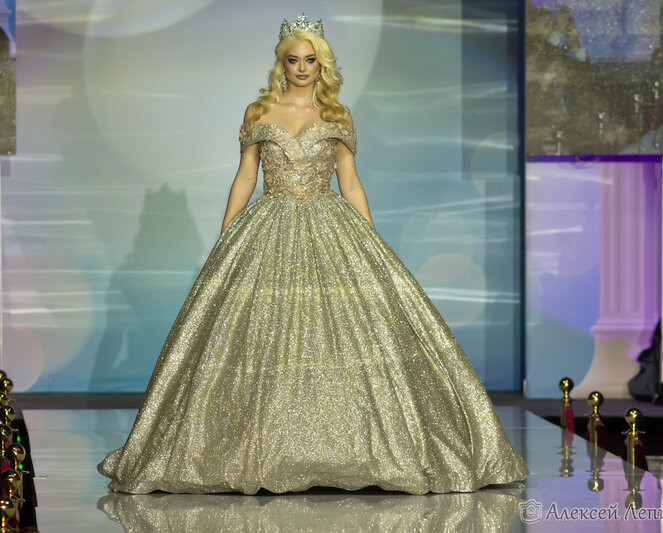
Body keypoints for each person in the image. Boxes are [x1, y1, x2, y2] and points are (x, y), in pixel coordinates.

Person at [98, 14, 528, 495]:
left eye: (310, 60)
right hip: (269, 226)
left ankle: (348, 449)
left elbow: (351, 183)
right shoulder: (259, 111)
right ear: (281, 64)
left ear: (321, 65)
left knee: (346, 333)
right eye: (293, 60)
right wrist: (226, 237)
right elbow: (246, 177)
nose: (302, 68)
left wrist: (372, 245)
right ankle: (255, 448)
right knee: (261, 331)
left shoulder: (338, 115)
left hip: (330, 225)